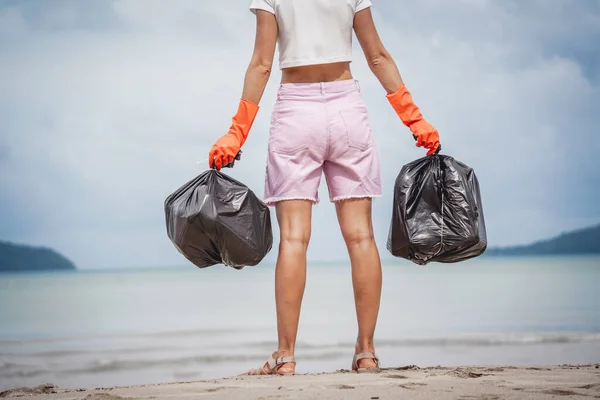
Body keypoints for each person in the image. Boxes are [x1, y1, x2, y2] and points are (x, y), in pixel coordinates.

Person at [208, 0, 440, 376]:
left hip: (295, 115)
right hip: (347, 108)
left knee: (294, 240)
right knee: (361, 237)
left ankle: (285, 356)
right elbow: (377, 57)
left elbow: (262, 64)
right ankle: (366, 353)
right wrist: (415, 121)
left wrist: (237, 132)